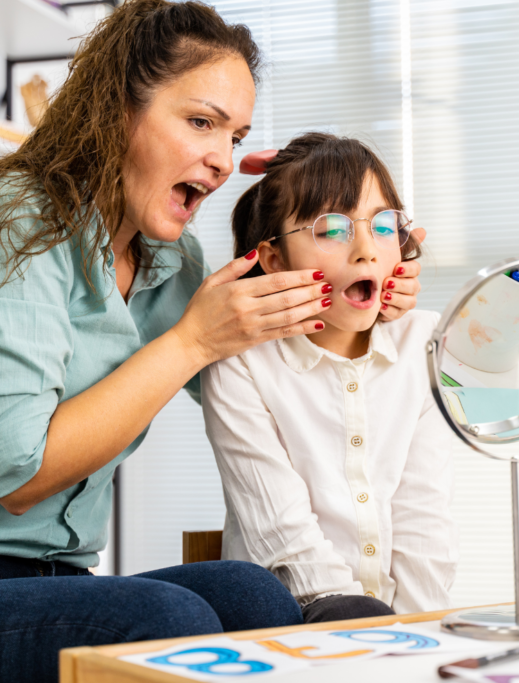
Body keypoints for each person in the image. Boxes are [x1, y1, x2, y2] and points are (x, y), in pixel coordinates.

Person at [0, 2, 424, 681]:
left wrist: (354, 278)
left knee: (255, 596)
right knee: (167, 620)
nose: (222, 160)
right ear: (115, 111)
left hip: (52, 579)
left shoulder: (171, 263)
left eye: (236, 136)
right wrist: (190, 342)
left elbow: (266, 386)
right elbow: (17, 474)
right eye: (202, 122)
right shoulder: (14, 219)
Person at [202, 133, 457, 624]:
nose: (365, 250)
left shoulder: (424, 343)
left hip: (397, 632)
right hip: (286, 621)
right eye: (332, 229)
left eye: (383, 226)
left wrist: (421, 634)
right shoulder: (241, 359)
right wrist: (365, 628)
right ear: (275, 259)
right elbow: (280, 531)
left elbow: (425, 519)